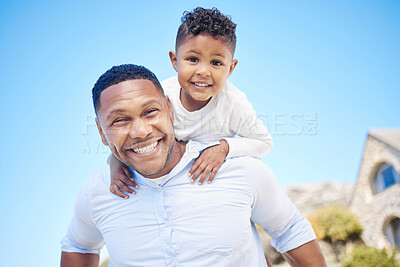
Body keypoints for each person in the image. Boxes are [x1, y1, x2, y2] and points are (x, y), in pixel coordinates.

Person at [60, 64, 327, 267]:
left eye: (150, 112)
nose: (140, 131)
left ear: (169, 108)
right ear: (100, 130)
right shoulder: (97, 192)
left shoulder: (240, 171)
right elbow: (78, 246)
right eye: (119, 121)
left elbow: (290, 230)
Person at [109, 7, 273, 198]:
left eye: (216, 63)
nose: (203, 71)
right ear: (175, 60)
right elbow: (136, 135)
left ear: (231, 68)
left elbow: (264, 142)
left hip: (207, 184)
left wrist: (224, 148)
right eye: (193, 59)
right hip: (166, 180)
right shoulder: (161, 96)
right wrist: (115, 163)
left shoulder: (234, 103)